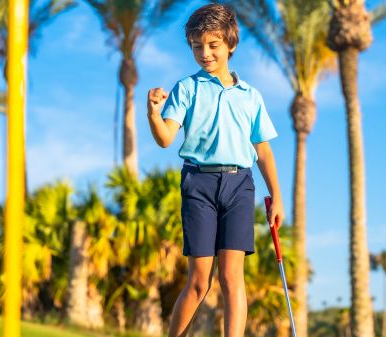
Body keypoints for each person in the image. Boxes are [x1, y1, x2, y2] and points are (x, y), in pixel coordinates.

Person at [146, 3, 285, 337]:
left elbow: (263, 150)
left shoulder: (250, 96)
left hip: (240, 185)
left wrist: (277, 197)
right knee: (199, 281)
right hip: (199, 183)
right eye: (197, 46)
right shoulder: (187, 88)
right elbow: (165, 138)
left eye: (213, 45)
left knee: (232, 277)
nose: (205, 53)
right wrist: (153, 113)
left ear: (230, 44)